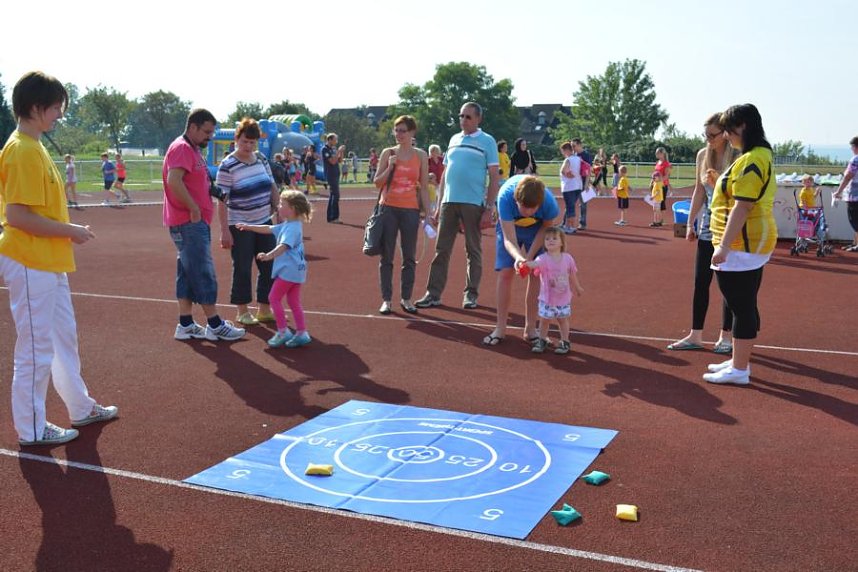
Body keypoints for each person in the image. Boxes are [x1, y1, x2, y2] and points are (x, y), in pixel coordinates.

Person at [0, 70, 118, 446]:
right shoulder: (22, 150)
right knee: (35, 348)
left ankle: (80, 407)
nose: (59, 115)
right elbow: (17, 215)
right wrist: (72, 231)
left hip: (49, 261)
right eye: (55, 108)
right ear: (35, 108)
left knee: (63, 339)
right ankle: (32, 428)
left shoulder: (34, 147)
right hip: (31, 260)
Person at [703, 103, 777, 386]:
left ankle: (740, 369)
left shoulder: (752, 159)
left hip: (741, 244)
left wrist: (723, 246)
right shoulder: (756, 156)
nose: (726, 135)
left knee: (740, 305)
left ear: (742, 126)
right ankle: (737, 362)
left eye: (728, 128)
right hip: (746, 242)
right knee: (741, 304)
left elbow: (743, 206)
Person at [163, 108, 246, 342]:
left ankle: (186, 324)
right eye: (207, 131)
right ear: (193, 127)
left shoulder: (193, 149)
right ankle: (215, 324)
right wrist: (193, 207)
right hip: (188, 223)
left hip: (191, 222)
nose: (210, 136)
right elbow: (174, 181)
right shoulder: (181, 148)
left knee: (187, 274)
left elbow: (196, 181)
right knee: (202, 272)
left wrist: (217, 193)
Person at [415, 102, 499, 309]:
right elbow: (445, 175)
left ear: (478, 119)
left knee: (473, 250)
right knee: (441, 249)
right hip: (448, 203)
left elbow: (494, 176)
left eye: (468, 117)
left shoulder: (487, 141)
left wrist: (489, 207)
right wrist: (437, 204)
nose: (463, 120)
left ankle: (471, 294)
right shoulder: (453, 139)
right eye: (461, 116)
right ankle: (433, 293)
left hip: (473, 203)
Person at [667, 113, 736, 354]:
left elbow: (737, 195)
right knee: (700, 282)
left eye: (713, 135)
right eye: (705, 135)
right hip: (708, 226)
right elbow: (698, 190)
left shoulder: (737, 156)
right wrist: (690, 223)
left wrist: (718, 182)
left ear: (725, 134)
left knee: (727, 284)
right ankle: (695, 334)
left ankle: (725, 336)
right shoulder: (702, 155)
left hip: (732, 228)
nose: (708, 140)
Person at [481, 175, 559, 346]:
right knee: (506, 273)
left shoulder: (549, 203)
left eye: (533, 208)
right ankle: (500, 328)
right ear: (516, 200)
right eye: (524, 208)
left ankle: (531, 328)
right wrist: (519, 258)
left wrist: (530, 258)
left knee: (536, 274)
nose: (529, 212)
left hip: (537, 230)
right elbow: (509, 239)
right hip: (511, 228)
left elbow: (545, 229)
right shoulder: (504, 198)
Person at [216, 117, 279, 326]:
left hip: (264, 222)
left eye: (252, 142)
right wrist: (225, 231)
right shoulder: (227, 166)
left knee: (269, 263)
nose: (248, 146)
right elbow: (222, 201)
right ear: (236, 139)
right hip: (240, 225)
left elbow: (272, 186)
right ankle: (242, 310)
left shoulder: (261, 158)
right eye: (244, 141)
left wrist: (277, 211)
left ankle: (264, 308)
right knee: (243, 267)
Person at [236, 190, 312, 348]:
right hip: (297, 271)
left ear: (293, 209)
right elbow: (268, 229)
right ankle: (301, 332)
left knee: (273, 298)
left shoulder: (291, 229)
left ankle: (283, 331)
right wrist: (249, 227)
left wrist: (268, 256)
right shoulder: (289, 225)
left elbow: (283, 246)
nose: (278, 206)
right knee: (293, 301)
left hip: (288, 271)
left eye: (282, 204)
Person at [373, 115, 429, 315]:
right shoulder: (388, 153)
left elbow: (423, 187)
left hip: (410, 210)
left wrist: (428, 212)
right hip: (388, 208)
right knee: (387, 256)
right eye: (396, 130)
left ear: (412, 132)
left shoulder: (421, 155)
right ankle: (386, 300)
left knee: (409, 256)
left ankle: (406, 298)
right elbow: (377, 182)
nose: (399, 134)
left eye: (403, 130)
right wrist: (390, 166)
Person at [524, 226, 584, 355]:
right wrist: (526, 264)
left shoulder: (568, 258)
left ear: (562, 242)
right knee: (544, 321)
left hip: (563, 298)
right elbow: (535, 264)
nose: (550, 241)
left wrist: (577, 287)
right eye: (547, 239)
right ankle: (542, 340)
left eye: (554, 238)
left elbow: (572, 274)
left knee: (562, 320)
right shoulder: (543, 258)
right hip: (547, 298)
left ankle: (565, 341)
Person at [832, 136, 858, 251]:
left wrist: (838, 192)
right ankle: (855, 243)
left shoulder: (855, 160)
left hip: (854, 196)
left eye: (852, 147)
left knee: (855, 221)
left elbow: (848, 177)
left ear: (855, 147)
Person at [558, 141, 582, 234]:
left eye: (562, 151)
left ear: (566, 150)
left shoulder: (568, 160)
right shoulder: (578, 159)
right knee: (572, 206)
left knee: (569, 207)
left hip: (568, 186)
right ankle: (570, 226)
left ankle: (568, 226)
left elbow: (563, 170)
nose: (562, 153)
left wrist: (567, 175)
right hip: (578, 186)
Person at [322, 133, 344, 222]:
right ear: (329, 140)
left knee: (333, 195)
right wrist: (338, 151)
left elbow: (339, 160)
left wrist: (341, 152)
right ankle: (334, 217)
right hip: (330, 174)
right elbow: (332, 161)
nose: (336, 141)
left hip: (336, 173)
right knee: (335, 195)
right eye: (335, 140)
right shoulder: (325, 149)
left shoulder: (333, 149)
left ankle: (331, 217)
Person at [573, 138, 591, 229]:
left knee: (583, 204)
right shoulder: (574, 155)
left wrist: (586, 183)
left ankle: (582, 223)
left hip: (583, 182)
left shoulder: (586, 155)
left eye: (574, 145)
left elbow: (589, 170)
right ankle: (566, 222)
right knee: (571, 202)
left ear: (579, 145)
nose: (573, 147)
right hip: (575, 183)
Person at [654, 146, 672, 213]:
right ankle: (657, 219)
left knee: (661, 202)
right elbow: (655, 173)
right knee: (656, 202)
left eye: (657, 153)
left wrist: (659, 181)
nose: (656, 155)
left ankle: (661, 219)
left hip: (663, 185)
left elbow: (666, 176)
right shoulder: (657, 162)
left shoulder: (666, 164)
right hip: (656, 184)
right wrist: (652, 182)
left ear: (662, 154)